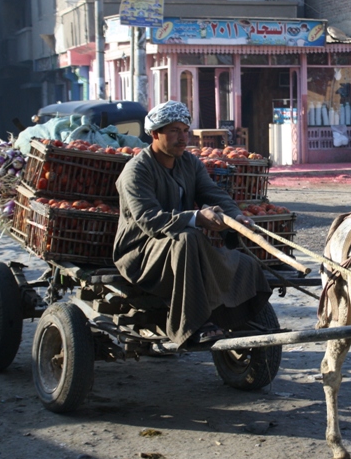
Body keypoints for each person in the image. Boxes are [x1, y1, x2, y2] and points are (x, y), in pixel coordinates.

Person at [113, 101, 271, 346]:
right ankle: (194, 322)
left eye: (185, 130)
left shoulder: (190, 162)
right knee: (189, 237)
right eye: (174, 131)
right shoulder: (136, 171)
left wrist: (235, 217)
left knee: (245, 263)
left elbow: (213, 194)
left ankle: (230, 315)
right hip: (141, 253)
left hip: (179, 248)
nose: (182, 137)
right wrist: (197, 218)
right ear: (155, 134)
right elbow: (149, 220)